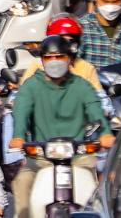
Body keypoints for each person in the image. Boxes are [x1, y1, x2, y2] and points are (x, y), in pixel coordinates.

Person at [10, 35, 110, 218]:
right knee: (22, 181)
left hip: (79, 157)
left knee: (100, 190)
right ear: (42, 60)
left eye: (59, 56)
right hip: (41, 158)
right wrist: (19, 135)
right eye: (49, 57)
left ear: (70, 59)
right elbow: (21, 109)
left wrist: (105, 132)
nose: (54, 62)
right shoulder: (31, 85)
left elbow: (94, 108)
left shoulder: (82, 86)